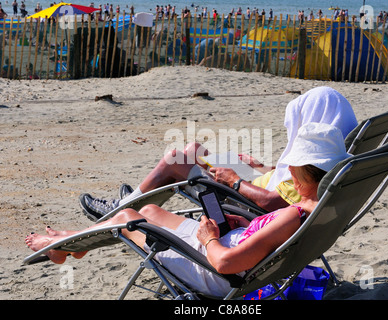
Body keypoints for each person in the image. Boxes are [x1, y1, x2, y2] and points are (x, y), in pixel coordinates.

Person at [25, 122, 352, 297]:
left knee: (128, 219)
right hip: (240, 246)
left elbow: (224, 264)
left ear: (295, 173)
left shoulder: (291, 215)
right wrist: (245, 225)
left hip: (217, 270)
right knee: (150, 210)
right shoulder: (321, 208)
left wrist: (211, 238)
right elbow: (270, 235)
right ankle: (72, 246)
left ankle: (63, 247)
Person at [79, 87, 358, 221]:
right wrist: (260, 168)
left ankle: (121, 206)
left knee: (175, 158)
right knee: (194, 150)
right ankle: (137, 195)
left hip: (241, 201)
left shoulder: (312, 171)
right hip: (256, 185)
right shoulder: (328, 157)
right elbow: (287, 184)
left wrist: (235, 180)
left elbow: (275, 204)